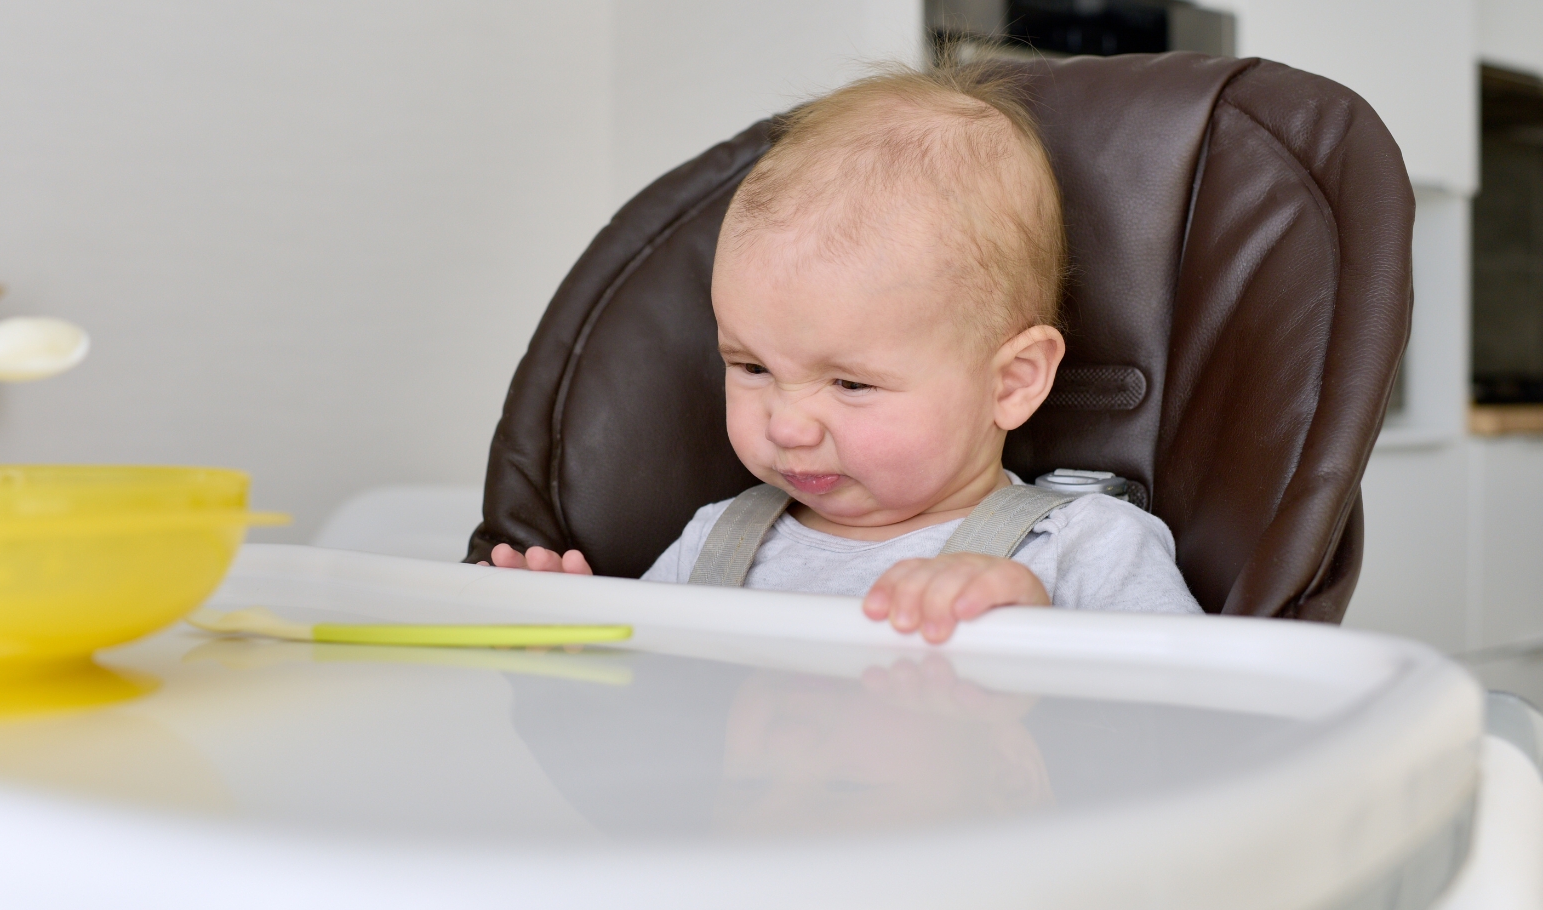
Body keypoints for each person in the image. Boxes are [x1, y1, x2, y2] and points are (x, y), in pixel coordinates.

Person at [483, 63, 1201, 641]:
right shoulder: (713, 545)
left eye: (851, 384)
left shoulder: (1082, 549)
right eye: (753, 368)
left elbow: (1198, 735)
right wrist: (571, 643)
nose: (788, 427)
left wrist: (1036, 639)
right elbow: (651, 725)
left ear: (1012, 382)